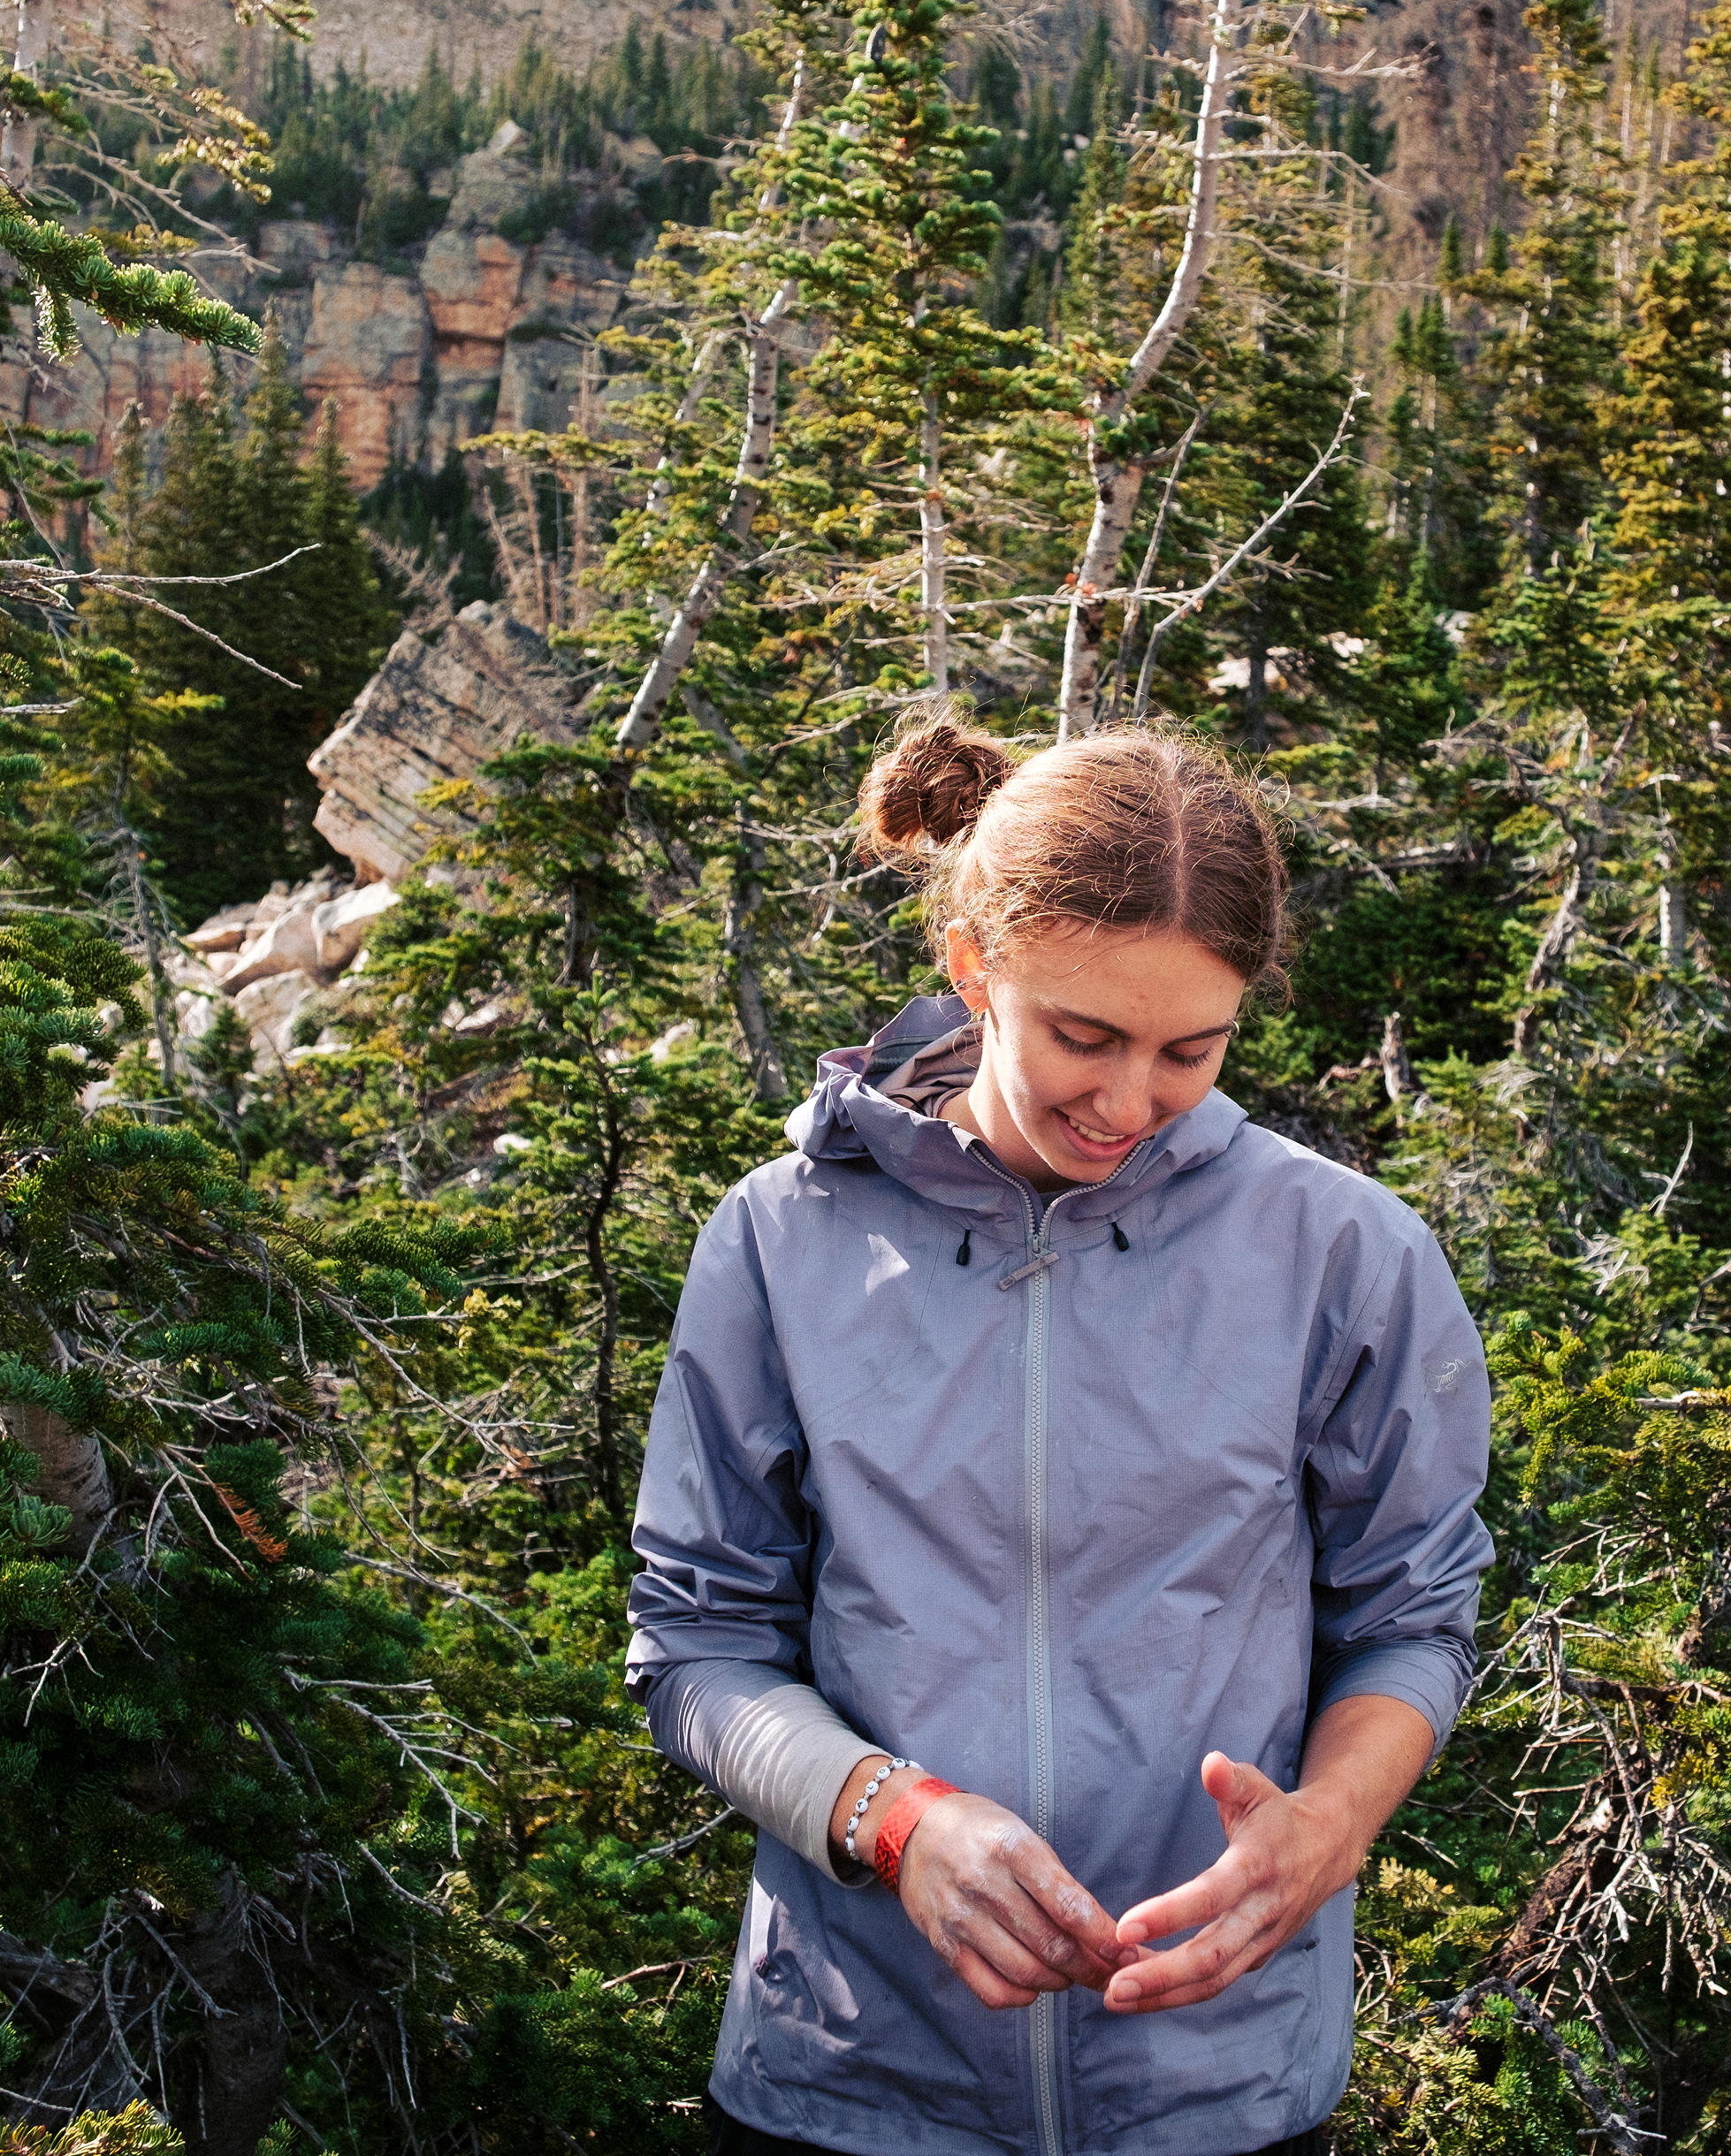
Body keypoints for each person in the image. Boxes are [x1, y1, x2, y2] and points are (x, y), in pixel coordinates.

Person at [627, 717, 1495, 2156]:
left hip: (1218, 2091)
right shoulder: (782, 1239)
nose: (1127, 1100)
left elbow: (1416, 1613)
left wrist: (1331, 1827)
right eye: (1080, 1036)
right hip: (849, 2083)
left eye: (1189, 1051)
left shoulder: (1346, 1252)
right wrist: (890, 1822)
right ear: (973, 967)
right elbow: (698, 1645)